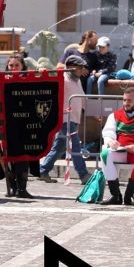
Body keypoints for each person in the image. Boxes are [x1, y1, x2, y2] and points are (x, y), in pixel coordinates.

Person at [0, 54, 40, 198]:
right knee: (5, 156)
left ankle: (22, 188)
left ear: (22, 66)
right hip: (3, 122)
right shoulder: (0, 81)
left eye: (17, 65)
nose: (14, 68)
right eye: (11, 65)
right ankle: (12, 186)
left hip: (23, 123)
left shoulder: (28, 80)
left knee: (22, 154)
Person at [39, 55, 90, 185]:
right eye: (79, 67)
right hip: (66, 119)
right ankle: (83, 174)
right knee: (75, 146)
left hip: (73, 119)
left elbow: (81, 97)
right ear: (71, 68)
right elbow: (50, 75)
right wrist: (43, 70)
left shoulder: (77, 80)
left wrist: (90, 112)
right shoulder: (63, 78)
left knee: (58, 147)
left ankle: (43, 170)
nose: (82, 70)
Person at [100, 87, 134, 206]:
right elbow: (108, 133)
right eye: (124, 100)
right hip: (121, 152)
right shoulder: (114, 115)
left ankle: (129, 195)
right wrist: (110, 142)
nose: (126, 103)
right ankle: (116, 195)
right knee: (104, 153)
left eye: (129, 100)